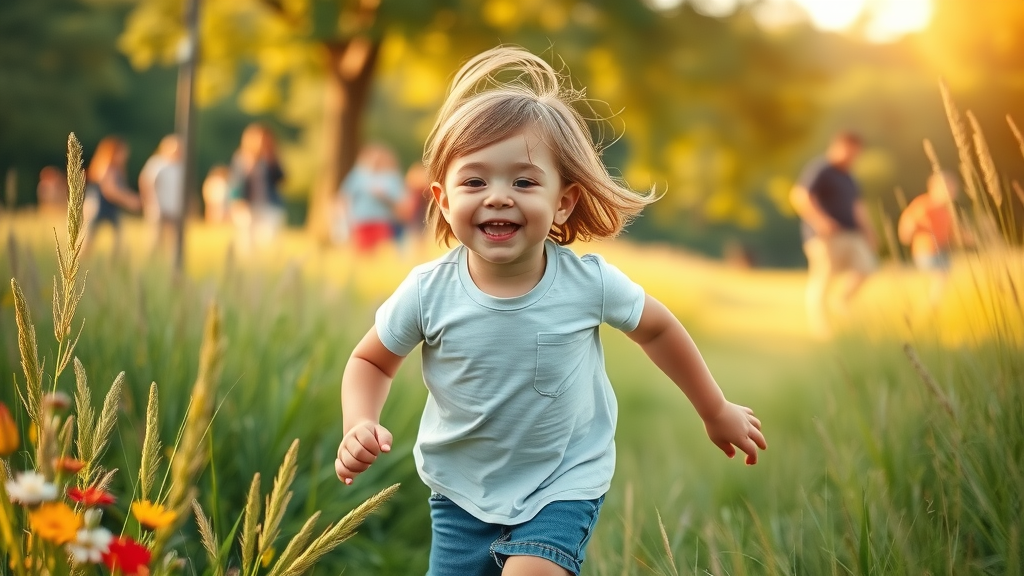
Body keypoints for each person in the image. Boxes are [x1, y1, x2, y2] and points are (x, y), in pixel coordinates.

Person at [334, 46, 768, 576]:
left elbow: (656, 328)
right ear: (443, 199)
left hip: (560, 485)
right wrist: (358, 421)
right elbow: (371, 362)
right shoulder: (429, 291)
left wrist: (714, 408)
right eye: (474, 181)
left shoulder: (587, 283)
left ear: (563, 201)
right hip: (461, 494)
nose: (497, 197)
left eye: (523, 181)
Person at [789, 132, 877, 336]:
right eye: (849, 151)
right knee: (824, 278)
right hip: (824, 237)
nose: (852, 157)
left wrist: (869, 230)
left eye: (856, 153)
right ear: (837, 146)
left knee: (866, 268)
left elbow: (857, 207)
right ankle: (821, 329)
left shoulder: (849, 177)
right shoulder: (821, 169)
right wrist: (820, 221)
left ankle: (842, 301)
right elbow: (800, 196)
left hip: (850, 234)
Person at [898, 171, 965, 305]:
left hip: (942, 251)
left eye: (953, 188)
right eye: (949, 188)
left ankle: (933, 304)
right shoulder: (924, 205)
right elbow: (908, 224)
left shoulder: (946, 210)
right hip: (926, 252)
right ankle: (931, 305)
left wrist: (967, 237)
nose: (952, 191)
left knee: (944, 277)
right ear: (935, 188)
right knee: (941, 276)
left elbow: (953, 232)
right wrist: (909, 231)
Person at [229, 123, 286, 252]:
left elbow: (281, 179)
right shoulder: (241, 158)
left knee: (269, 238)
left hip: (268, 203)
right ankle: (249, 267)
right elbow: (235, 182)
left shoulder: (272, 158)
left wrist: (271, 162)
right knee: (247, 240)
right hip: (247, 203)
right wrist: (235, 200)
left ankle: (265, 265)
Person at [337, 143, 406, 253]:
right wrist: (344, 221)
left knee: (380, 254)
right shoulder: (358, 175)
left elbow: (401, 202)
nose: (375, 161)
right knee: (362, 253)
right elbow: (345, 196)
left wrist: (383, 196)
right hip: (361, 221)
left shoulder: (391, 177)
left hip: (382, 222)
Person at [83, 136, 142, 256]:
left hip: (111, 208)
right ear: (113, 152)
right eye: (122, 152)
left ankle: (114, 263)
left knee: (119, 239)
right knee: (88, 240)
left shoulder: (117, 169)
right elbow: (110, 190)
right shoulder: (106, 167)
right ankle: (78, 263)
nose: (125, 156)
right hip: (97, 206)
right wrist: (130, 200)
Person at [138, 135, 184, 256]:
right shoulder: (157, 163)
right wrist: (149, 202)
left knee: (175, 243)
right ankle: (152, 263)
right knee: (155, 240)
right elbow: (146, 182)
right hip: (158, 208)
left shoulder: (181, 167)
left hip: (174, 209)